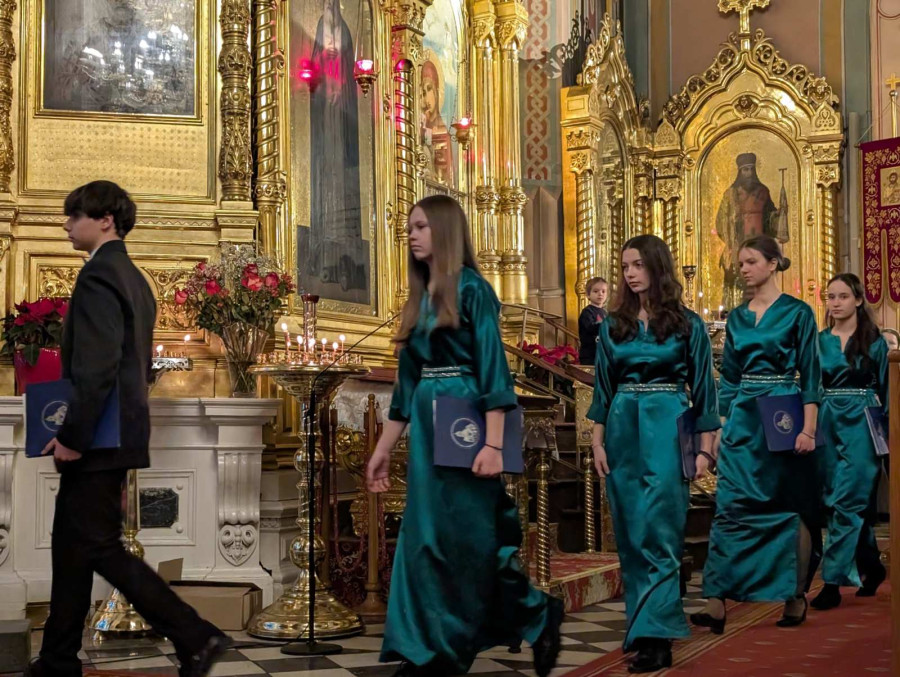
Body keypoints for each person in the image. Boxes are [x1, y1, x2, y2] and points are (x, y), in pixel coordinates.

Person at [31, 181, 229, 677]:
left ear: (105, 220)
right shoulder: (135, 278)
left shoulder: (99, 275)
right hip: (118, 430)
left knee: (98, 546)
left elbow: (97, 368)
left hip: (99, 436)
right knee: (72, 547)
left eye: (74, 215)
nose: (66, 225)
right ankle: (57, 659)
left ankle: (196, 634)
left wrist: (73, 437)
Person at [365, 195, 563, 677]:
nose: (411, 234)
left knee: (469, 541)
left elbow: (494, 371)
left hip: (465, 425)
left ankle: (527, 618)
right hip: (427, 432)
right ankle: (429, 649)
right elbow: (406, 387)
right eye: (409, 227)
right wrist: (383, 450)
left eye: (421, 226)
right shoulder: (418, 297)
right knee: (426, 541)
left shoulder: (473, 290)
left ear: (445, 229)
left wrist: (493, 444)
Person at [589, 235, 720, 673]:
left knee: (661, 530)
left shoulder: (688, 324)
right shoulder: (613, 325)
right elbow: (603, 388)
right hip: (622, 428)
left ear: (657, 267)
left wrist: (704, 450)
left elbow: (704, 391)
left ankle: (659, 635)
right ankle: (642, 629)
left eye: (639, 265)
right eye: (625, 265)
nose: (630, 273)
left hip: (668, 426)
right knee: (630, 533)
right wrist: (597, 443)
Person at [694, 234, 822, 632]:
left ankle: (794, 595)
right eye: (741, 263)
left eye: (751, 261)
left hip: (783, 416)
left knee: (786, 506)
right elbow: (730, 378)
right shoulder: (736, 317)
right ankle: (716, 600)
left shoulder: (799, 313)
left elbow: (811, 375)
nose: (743, 269)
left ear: (773, 263)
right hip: (743, 420)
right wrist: (720, 426)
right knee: (729, 505)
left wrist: (809, 429)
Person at [811, 274, 889, 609]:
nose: (836, 303)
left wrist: (889, 438)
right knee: (834, 500)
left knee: (849, 499)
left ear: (858, 300)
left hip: (863, 422)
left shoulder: (875, 342)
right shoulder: (819, 341)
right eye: (831, 297)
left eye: (843, 296)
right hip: (828, 420)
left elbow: (888, 390)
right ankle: (872, 565)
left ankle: (832, 581)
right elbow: (812, 385)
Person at [715, 153, 784, 308]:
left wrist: (777, 215)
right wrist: (732, 238)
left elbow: (770, 215)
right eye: (745, 170)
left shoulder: (763, 191)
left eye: (751, 169)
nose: (748, 173)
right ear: (740, 172)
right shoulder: (731, 194)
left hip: (759, 242)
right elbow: (720, 221)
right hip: (737, 244)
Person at [577, 276, 609, 365]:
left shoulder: (605, 313)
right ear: (588, 294)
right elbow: (590, 328)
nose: (600, 294)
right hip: (590, 355)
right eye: (596, 291)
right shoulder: (587, 312)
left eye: (603, 291)